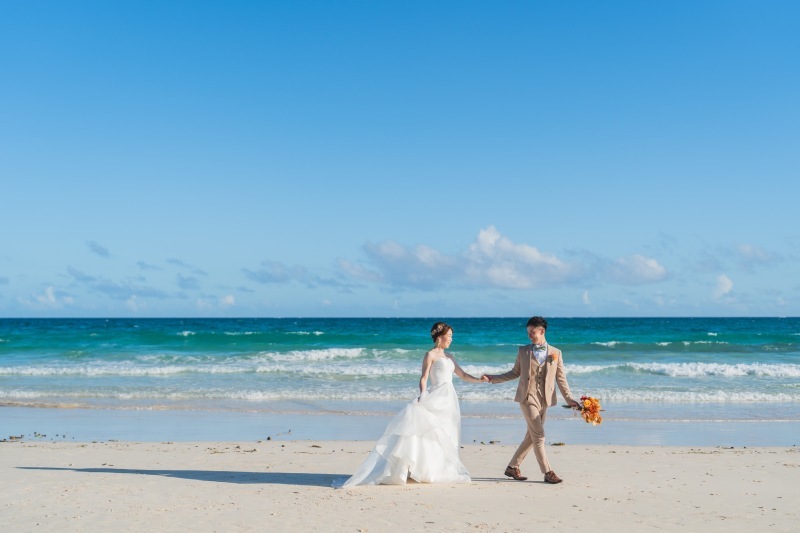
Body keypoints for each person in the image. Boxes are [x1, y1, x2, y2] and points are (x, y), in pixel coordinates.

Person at [340, 322, 485, 487]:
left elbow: (463, 375)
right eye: (449, 335)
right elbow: (424, 378)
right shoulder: (430, 355)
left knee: (447, 432)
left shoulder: (450, 356)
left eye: (452, 336)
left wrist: (479, 380)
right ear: (440, 337)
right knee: (430, 433)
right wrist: (423, 395)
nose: (451, 339)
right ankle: (423, 470)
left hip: (449, 400)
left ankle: (438, 469)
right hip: (435, 397)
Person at [482, 316, 580, 484]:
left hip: (545, 400)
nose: (529, 335)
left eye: (532, 332)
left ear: (542, 331)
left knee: (531, 436)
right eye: (528, 332)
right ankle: (548, 472)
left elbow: (561, 379)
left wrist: (570, 399)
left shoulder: (556, 353)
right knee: (539, 436)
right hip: (527, 397)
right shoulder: (523, 351)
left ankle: (512, 467)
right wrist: (493, 378)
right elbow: (515, 372)